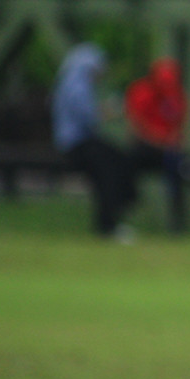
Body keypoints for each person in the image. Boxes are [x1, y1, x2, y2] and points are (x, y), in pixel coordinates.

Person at [51, 43, 136, 240]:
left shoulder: (68, 80)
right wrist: (111, 110)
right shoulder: (77, 84)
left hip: (78, 143)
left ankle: (113, 216)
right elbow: (87, 118)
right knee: (109, 170)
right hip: (76, 144)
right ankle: (109, 222)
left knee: (116, 158)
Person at [125, 57, 190, 232]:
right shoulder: (141, 93)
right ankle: (129, 205)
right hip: (145, 148)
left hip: (167, 152)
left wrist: (172, 140)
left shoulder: (176, 95)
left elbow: (179, 126)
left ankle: (177, 222)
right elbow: (137, 127)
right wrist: (162, 140)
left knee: (180, 167)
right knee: (127, 164)